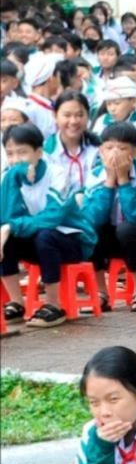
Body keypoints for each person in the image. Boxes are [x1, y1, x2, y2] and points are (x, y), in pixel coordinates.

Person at [1, 123, 96, 328]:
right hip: (37, 241)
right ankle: (17, 302)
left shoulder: (57, 174)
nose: (16, 159)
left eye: (22, 152)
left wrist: (11, 226)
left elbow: (52, 217)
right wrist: (8, 227)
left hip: (72, 241)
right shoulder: (8, 177)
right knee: (6, 237)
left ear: (39, 152)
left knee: (45, 234)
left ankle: (54, 305)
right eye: (10, 153)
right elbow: (6, 217)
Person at [82, 122, 136, 312]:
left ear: (135, 152)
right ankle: (100, 292)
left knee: (127, 228)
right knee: (90, 229)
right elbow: (93, 217)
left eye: (122, 148)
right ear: (101, 152)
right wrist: (108, 183)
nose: (115, 154)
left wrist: (123, 180)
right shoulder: (94, 175)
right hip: (112, 237)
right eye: (109, 148)